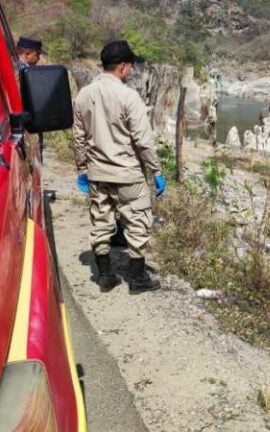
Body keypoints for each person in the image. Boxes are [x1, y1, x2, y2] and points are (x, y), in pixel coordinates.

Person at [73, 40, 165, 295]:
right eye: (131, 66)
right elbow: (143, 141)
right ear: (122, 66)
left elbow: (78, 137)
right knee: (138, 223)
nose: (132, 71)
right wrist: (156, 171)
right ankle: (137, 280)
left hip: (97, 173)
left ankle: (105, 276)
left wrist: (82, 168)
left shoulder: (83, 95)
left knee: (101, 222)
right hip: (127, 174)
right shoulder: (128, 96)